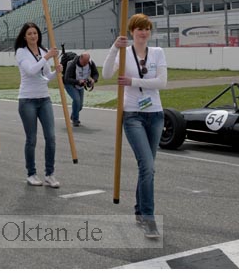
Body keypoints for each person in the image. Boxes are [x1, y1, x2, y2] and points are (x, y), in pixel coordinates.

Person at [102, 13, 167, 239]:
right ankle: (149, 219)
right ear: (131, 31)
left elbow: (162, 82)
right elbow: (106, 73)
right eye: (139, 28)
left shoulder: (157, 53)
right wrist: (113, 48)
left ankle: (140, 212)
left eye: (147, 28)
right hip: (132, 115)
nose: (143, 32)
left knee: (147, 168)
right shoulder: (124, 52)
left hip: (155, 114)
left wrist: (134, 81)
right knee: (147, 166)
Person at [14, 22, 62, 188]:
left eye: (35, 33)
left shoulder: (42, 50)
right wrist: (47, 57)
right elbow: (31, 71)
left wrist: (57, 71)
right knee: (32, 139)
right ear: (24, 37)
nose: (33, 36)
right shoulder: (21, 52)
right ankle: (31, 173)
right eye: (29, 34)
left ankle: (50, 173)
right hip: (27, 100)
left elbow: (45, 77)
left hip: (44, 99)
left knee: (51, 137)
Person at [64, 51, 99, 127]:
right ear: (80, 58)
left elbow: (96, 74)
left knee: (80, 106)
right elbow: (67, 79)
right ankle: (75, 120)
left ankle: (73, 115)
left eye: (87, 62)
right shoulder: (72, 64)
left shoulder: (90, 63)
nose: (85, 64)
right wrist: (77, 81)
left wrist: (93, 80)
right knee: (76, 100)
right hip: (70, 84)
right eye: (84, 62)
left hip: (81, 85)